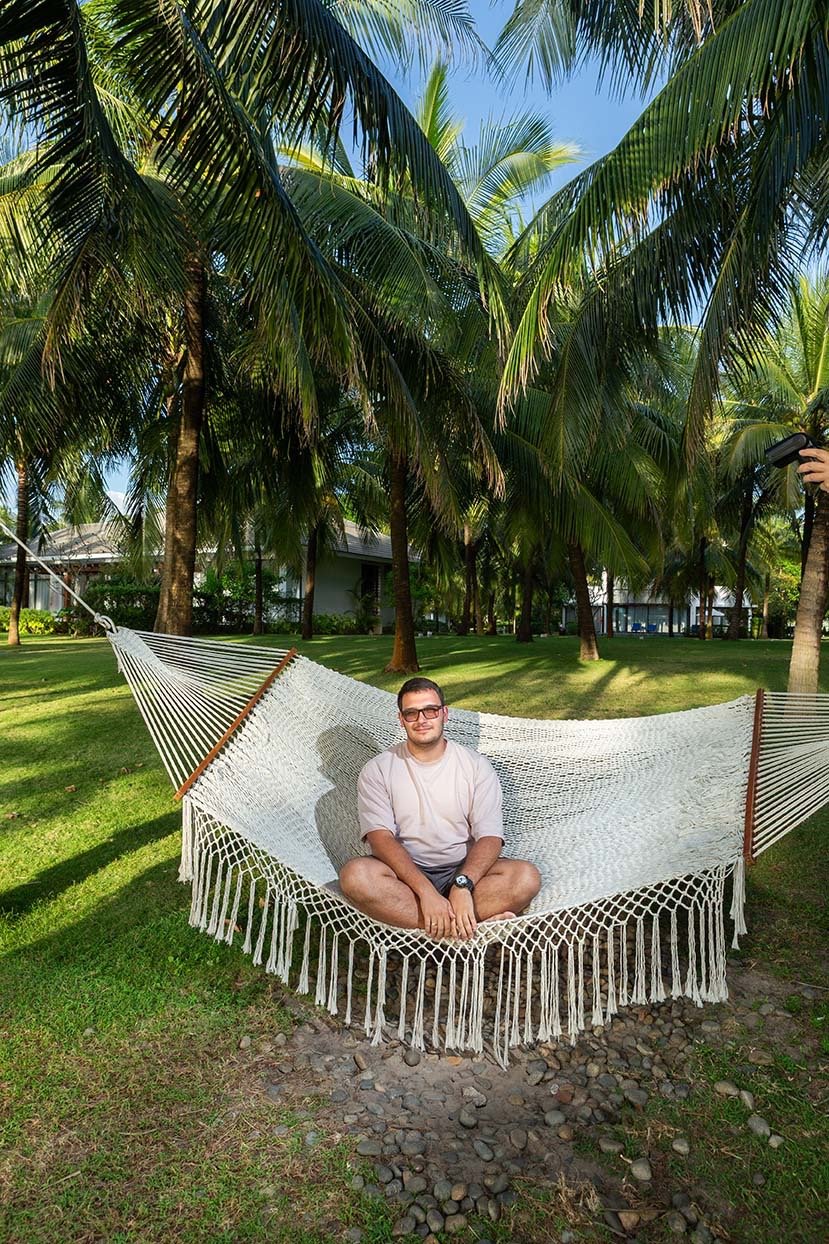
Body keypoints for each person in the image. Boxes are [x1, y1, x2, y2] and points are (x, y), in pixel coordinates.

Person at [338, 676, 541, 940]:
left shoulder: (475, 766)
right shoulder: (378, 769)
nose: (421, 720)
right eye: (411, 713)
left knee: (525, 878)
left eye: (430, 710)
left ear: (445, 713)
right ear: (401, 719)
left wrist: (462, 885)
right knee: (355, 878)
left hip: (463, 869)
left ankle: (435, 925)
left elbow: (490, 837)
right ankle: (466, 928)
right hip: (404, 876)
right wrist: (426, 892)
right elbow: (380, 839)